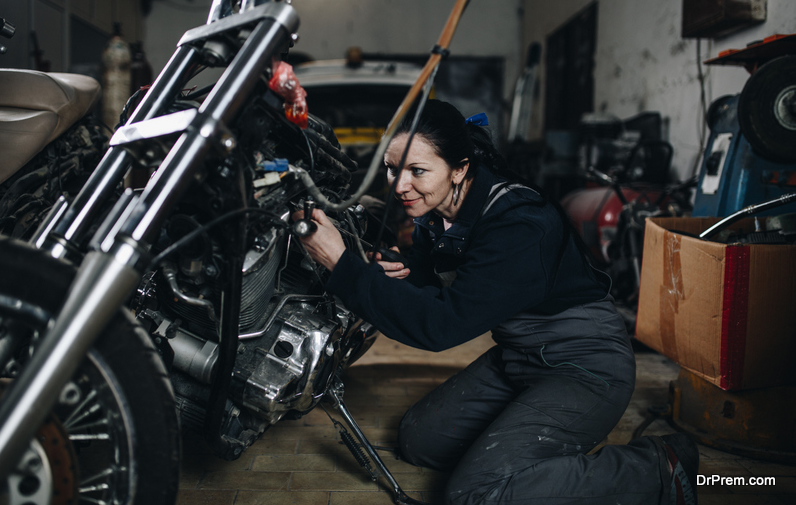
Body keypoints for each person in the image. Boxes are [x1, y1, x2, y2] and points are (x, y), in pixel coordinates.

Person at [296, 99, 698, 505]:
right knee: (420, 440)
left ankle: (656, 467)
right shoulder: (438, 209)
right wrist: (387, 268)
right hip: (520, 357)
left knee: (476, 493)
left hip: (585, 365)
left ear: (460, 168)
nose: (399, 185)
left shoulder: (519, 222)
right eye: (391, 167)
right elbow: (428, 273)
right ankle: (529, 452)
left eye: (417, 171)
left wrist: (340, 263)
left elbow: (439, 326)